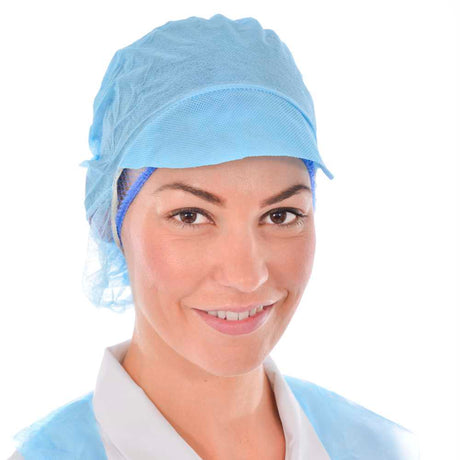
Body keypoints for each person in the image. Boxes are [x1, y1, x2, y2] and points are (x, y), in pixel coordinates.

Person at [9, 13, 420, 459]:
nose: (246, 276)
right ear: (110, 221)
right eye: (190, 216)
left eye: (280, 215)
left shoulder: (379, 447)